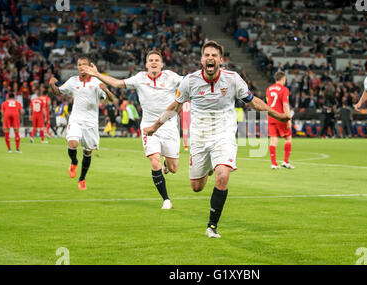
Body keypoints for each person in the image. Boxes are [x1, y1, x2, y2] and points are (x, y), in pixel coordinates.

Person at [143, 41, 291, 238]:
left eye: (214, 55)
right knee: (197, 187)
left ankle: (212, 226)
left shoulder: (232, 79)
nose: (210, 58)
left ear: (221, 60)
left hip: (224, 135)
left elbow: (253, 101)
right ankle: (210, 166)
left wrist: (277, 115)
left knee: (223, 175)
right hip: (199, 138)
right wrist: (154, 127)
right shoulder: (190, 81)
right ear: (202, 60)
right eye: (207, 55)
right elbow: (175, 107)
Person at [80, 50, 183, 209]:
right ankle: (166, 199)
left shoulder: (171, 76)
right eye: (151, 60)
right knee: (154, 160)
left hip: (169, 126)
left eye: (157, 60)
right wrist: (97, 74)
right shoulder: (140, 78)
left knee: (174, 168)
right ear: (146, 64)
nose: (154, 62)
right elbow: (116, 83)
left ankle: (166, 166)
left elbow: (188, 82)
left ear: (162, 64)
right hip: (149, 126)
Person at [49, 56, 116, 190]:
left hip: (91, 122)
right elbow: (58, 92)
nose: (81, 67)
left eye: (84, 64)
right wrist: (51, 84)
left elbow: (111, 99)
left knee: (87, 152)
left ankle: (82, 179)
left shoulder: (97, 82)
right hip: (76, 119)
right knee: (72, 143)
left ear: (90, 66)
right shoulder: (73, 81)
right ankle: (74, 162)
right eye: (79, 65)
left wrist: (106, 90)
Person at [266, 71, 294, 169]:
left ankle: (274, 164)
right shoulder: (284, 89)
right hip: (281, 117)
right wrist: (288, 118)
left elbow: (268, 103)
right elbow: (285, 105)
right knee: (288, 138)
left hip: (271, 117)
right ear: (283, 79)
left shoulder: (269, 89)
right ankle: (285, 162)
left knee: (273, 140)